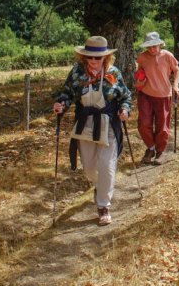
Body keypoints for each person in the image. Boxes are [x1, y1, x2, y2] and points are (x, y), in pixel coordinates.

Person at [53, 35, 132, 226]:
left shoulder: (114, 73)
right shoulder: (77, 73)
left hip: (109, 123)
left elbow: (125, 96)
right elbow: (67, 93)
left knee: (106, 165)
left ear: (105, 58)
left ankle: (103, 205)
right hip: (85, 123)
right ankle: (99, 186)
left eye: (98, 58)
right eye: (90, 57)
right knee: (89, 167)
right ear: (84, 57)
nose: (94, 61)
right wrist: (61, 104)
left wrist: (125, 109)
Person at [134, 32, 179, 165]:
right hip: (145, 95)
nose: (152, 49)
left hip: (164, 94)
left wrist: (175, 85)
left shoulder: (167, 55)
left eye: (154, 46)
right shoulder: (142, 57)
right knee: (143, 123)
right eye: (149, 47)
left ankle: (160, 152)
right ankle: (151, 148)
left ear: (160, 44)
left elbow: (177, 70)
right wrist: (139, 81)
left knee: (162, 126)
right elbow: (140, 73)